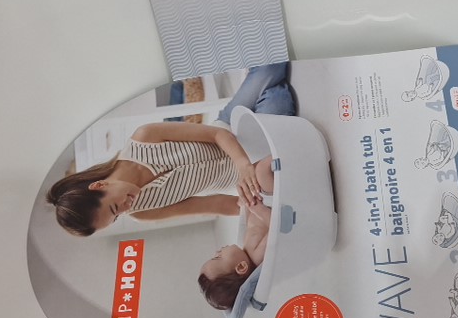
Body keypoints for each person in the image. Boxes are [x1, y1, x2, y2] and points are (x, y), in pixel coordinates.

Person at [47, 63, 293, 236]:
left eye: (114, 207)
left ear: (99, 186)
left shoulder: (144, 137)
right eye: (117, 216)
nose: (125, 208)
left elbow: (217, 134)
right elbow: (218, 204)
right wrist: (265, 215)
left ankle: (264, 96)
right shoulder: (143, 213)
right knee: (279, 103)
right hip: (254, 168)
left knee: (271, 71)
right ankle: (265, 97)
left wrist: (243, 165)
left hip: (228, 131)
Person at [197, 156, 274, 311]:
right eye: (218, 257)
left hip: (263, 202)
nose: (218, 251)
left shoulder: (246, 250)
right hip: (274, 205)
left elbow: (251, 222)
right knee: (260, 171)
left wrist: (245, 202)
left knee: (248, 177)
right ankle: (294, 152)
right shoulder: (257, 256)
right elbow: (278, 228)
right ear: (241, 267)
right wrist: (257, 209)